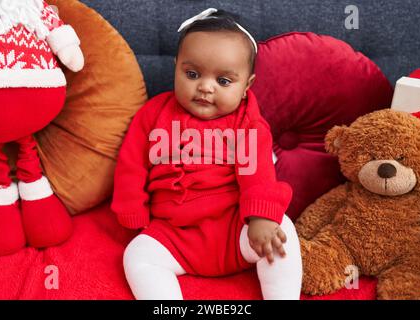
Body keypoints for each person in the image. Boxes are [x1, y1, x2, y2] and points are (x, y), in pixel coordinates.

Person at [112, 8, 302, 300]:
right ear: (176, 67)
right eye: (192, 74)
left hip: (236, 228)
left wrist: (260, 217)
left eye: (224, 81)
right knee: (137, 256)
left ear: (246, 86)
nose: (204, 87)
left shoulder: (247, 123)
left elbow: (258, 173)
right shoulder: (154, 114)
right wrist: (132, 208)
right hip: (173, 233)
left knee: (282, 233)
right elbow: (131, 163)